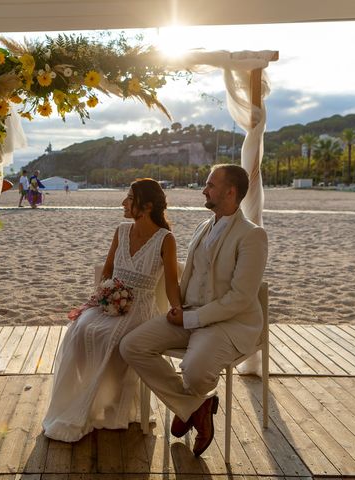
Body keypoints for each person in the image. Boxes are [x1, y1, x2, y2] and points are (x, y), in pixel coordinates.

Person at [120, 164, 268, 457]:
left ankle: (192, 404)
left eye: (210, 185)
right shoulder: (204, 227)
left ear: (230, 191)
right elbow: (190, 276)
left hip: (229, 323)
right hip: (189, 314)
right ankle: (195, 407)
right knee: (132, 346)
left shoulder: (253, 236)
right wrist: (179, 310)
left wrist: (192, 318)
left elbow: (240, 298)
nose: (204, 190)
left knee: (197, 373)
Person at [42, 178, 181, 442]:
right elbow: (107, 269)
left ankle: (111, 407)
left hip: (140, 306)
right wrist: (103, 294)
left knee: (111, 338)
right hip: (110, 299)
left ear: (147, 205)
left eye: (129, 198)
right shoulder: (121, 230)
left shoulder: (166, 239)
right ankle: (87, 402)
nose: (123, 203)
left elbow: (172, 283)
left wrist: (177, 309)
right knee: (79, 328)